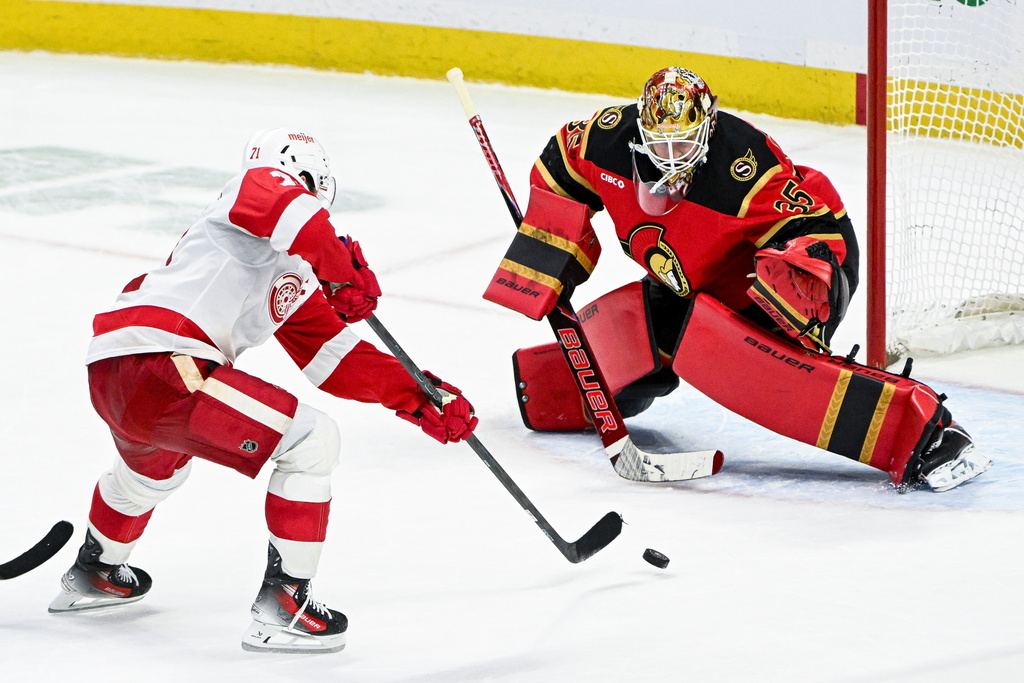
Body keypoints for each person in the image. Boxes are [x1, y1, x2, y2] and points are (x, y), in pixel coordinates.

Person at [48, 128, 478, 654]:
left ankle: (96, 571)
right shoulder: (249, 196)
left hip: (117, 371)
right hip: (163, 361)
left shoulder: (288, 267)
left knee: (154, 469)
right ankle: (286, 605)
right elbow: (282, 200)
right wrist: (339, 269)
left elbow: (336, 362)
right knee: (312, 441)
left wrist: (419, 395)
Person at [483, 66, 991, 493]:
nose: (671, 158)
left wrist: (806, 277)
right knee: (649, 326)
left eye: (684, 143)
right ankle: (552, 389)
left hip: (780, 267)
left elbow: (814, 218)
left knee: (724, 350)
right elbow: (560, 164)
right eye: (660, 143)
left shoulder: (743, 167)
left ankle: (924, 436)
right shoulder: (606, 140)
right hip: (693, 278)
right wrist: (550, 253)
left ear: (706, 130)